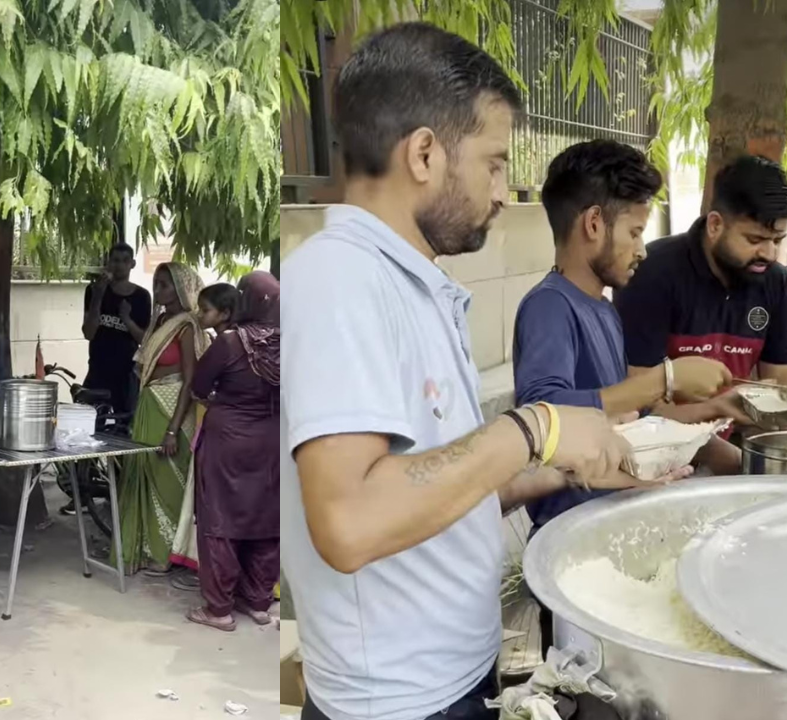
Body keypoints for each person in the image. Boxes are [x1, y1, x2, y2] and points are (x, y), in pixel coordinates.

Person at [282, 24, 674, 720]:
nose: (503, 191)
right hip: (398, 705)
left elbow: (435, 484)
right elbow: (347, 521)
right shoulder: (340, 279)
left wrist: (566, 468)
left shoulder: (415, 285)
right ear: (425, 154)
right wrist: (534, 427)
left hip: (454, 681)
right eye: (493, 162)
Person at [514, 140, 735, 532]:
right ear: (594, 223)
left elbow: (625, 416)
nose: (642, 251)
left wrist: (709, 416)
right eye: (635, 232)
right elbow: (542, 414)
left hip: (616, 522)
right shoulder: (549, 307)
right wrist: (665, 378)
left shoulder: (604, 309)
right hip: (569, 532)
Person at [614, 155, 787, 475]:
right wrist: (739, 464)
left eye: (777, 240)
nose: (769, 254)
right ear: (715, 224)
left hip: (730, 455)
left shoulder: (776, 283)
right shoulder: (653, 273)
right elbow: (639, 405)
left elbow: (782, 391)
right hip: (652, 464)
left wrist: (783, 460)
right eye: (754, 240)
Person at [185, 272, 280, 632]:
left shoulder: (229, 342)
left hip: (228, 442)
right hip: (272, 442)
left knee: (220, 519)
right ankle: (257, 604)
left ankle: (219, 610)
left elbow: (199, 386)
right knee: (266, 521)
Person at [116, 262, 210, 575]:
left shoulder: (186, 327)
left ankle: (168, 552)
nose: (159, 290)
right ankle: (145, 547)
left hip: (173, 412)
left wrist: (172, 430)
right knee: (143, 474)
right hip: (149, 403)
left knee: (168, 481)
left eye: (167, 284)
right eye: (157, 283)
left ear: (184, 289)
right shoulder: (161, 321)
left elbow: (190, 378)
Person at [82, 243, 153, 415]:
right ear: (108, 262)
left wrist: (127, 319)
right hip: (98, 368)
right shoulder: (94, 290)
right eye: (115, 260)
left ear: (132, 264)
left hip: (126, 372)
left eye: (124, 261)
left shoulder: (141, 296)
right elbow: (88, 332)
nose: (119, 265)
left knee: (123, 421)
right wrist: (98, 297)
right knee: (90, 417)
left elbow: (144, 340)